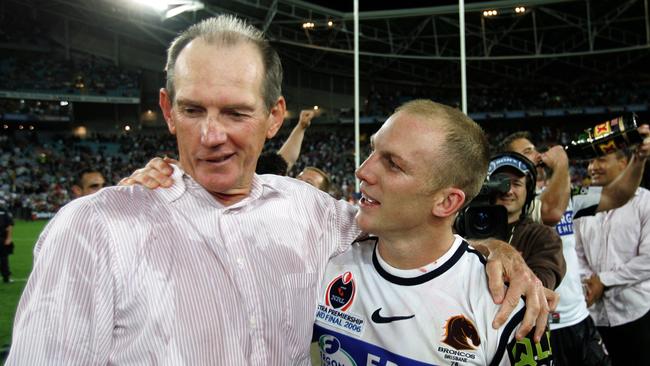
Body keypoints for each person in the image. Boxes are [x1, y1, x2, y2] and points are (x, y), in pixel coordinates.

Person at [8, 15, 546, 365]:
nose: (212, 135)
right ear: (168, 111)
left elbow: (413, 230)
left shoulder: (311, 213)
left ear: (274, 117)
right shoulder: (93, 229)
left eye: (237, 113)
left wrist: (495, 250)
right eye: (193, 110)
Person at [313, 100, 553, 365]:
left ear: (446, 202)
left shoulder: (506, 308)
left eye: (393, 164)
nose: (362, 171)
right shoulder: (327, 254)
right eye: (372, 150)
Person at [501, 127, 650, 366]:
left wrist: (639, 160)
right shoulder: (511, 201)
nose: (537, 154)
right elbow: (551, 211)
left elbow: (617, 195)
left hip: (578, 318)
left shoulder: (567, 195)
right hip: (535, 328)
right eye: (527, 151)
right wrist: (561, 165)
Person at [574, 148, 650, 366]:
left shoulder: (645, 202)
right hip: (593, 314)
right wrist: (590, 282)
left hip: (636, 313)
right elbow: (575, 251)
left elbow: (648, 260)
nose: (592, 167)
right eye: (590, 160)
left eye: (601, 159)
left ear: (623, 163)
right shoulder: (583, 200)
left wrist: (603, 280)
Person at [487, 152, 565, 290]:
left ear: (528, 192)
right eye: (501, 182)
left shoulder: (543, 236)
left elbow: (542, 285)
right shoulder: (463, 226)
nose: (508, 191)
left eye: (516, 183)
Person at [0, 200, 14, 283]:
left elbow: (9, 226)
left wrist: (8, 238)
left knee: (3, 259)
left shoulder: (3, 211)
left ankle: (6, 277)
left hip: (1, 239)